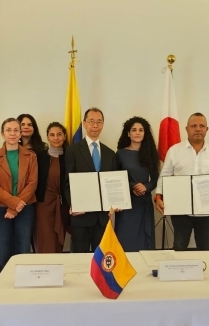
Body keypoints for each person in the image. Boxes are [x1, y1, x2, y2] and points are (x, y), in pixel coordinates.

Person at [155, 113, 209, 251]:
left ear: (207, 129)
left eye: (202, 126)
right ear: (187, 129)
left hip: (207, 211)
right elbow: (164, 176)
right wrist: (158, 197)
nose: (198, 129)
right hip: (181, 210)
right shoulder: (174, 151)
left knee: (205, 249)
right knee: (179, 248)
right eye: (194, 126)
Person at [0, 118, 38, 271]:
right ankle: (5, 285)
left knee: (23, 249)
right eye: (8, 130)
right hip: (0, 210)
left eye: (16, 130)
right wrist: (13, 203)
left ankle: (23, 284)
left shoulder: (31, 156)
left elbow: (32, 183)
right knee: (3, 251)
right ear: (2, 134)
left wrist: (15, 207)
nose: (12, 133)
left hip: (25, 209)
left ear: (20, 134)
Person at [65, 107, 118, 252]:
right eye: (91, 121)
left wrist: (116, 202)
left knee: (100, 259)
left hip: (102, 218)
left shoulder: (110, 153)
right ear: (84, 124)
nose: (95, 125)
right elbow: (67, 182)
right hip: (81, 215)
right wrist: (73, 204)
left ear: (103, 125)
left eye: (99, 122)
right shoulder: (72, 150)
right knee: (79, 258)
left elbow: (113, 183)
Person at [115, 117, 159, 251]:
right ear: (128, 133)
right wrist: (131, 186)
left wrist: (146, 187)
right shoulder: (120, 153)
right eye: (134, 130)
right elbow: (116, 178)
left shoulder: (151, 153)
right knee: (125, 240)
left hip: (144, 203)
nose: (137, 133)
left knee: (144, 244)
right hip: (126, 204)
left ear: (145, 133)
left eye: (141, 130)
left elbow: (156, 179)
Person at [34, 122, 70, 253]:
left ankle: (57, 265)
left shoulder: (70, 156)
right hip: (43, 205)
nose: (56, 138)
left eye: (59, 134)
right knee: (45, 240)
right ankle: (44, 265)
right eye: (52, 135)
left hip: (63, 205)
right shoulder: (39, 157)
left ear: (64, 136)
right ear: (47, 137)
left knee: (59, 240)